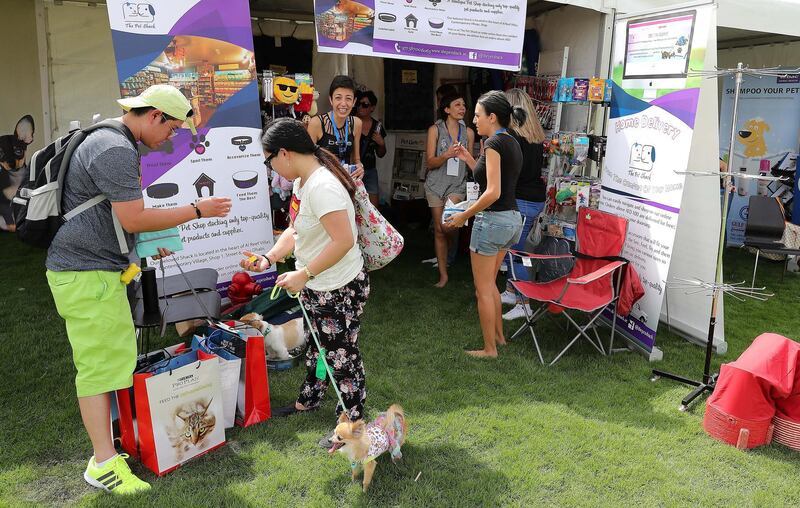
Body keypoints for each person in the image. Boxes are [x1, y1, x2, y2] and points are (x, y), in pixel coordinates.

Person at [45, 84, 231, 494]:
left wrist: (142, 246)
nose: (170, 138)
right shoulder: (115, 150)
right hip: (85, 273)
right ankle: (103, 464)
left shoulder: (111, 140)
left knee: (111, 361)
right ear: (154, 116)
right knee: (97, 369)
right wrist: (199, 210)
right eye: (172, 129)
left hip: (96, 270)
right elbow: (132, 218)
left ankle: (107, 450)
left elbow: (115, 216)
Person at [240, 118, 370, 446]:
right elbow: (296, 230)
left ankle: (354, 426)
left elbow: (343, 241)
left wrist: (305, 273)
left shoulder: (322, 186)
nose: (271, 168)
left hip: (337, 287)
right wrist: (269, 258)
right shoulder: (303, 181)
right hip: (318, 285)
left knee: (341, 355)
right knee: (318, 347)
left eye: (269, 160)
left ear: (284, 153)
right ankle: (309, 400)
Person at [446, 91, 525, 358]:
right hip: (512, 221)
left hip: (492, 221)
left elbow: (492, 191)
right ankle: (499, 338)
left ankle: (489, 349)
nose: (474, 120)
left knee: (483, 290)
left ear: (492, 117)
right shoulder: (510, 140)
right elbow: (489, 177)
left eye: (478, 116)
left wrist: (463, 215)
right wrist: (469, 158)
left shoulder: (492, 144)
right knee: (491, 285)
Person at [499, 88, 548, 321]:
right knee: (513, 249)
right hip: (533, 198)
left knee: (515, 253)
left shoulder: (511, 138)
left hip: (520, 200)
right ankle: (510, 291)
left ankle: (524, 303)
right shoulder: (535, 136)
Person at [424, 91, 476, 287]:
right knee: (439, 230)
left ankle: (452, 243)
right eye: (457, 105)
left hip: (457, 184)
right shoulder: (435, 130)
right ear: (446, 109)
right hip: (435, 184)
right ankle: (443, 274)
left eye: (463, 105)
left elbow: (471, 163)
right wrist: (446, 155)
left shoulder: (469, 133)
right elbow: (430, 163)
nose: (462, 108)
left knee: (447, 226)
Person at [307, 75, 365, 180]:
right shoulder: (317, 123)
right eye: (338, 98)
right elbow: (307, 159)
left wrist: (359, 167)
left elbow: (356, 159)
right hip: (322, 183)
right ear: (331, 99)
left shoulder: (356, 123)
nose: (343, 104)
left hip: (345, 183)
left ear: (354, 102)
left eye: (348, 98)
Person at [354, 90, 387, 206]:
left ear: (372, 108)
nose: (360, 107)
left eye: (365, 105)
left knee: (374, 206)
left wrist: (381, 143)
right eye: (358, 104)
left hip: (370, 170)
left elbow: (381, 154)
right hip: (353, 169)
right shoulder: (350, 122)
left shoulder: (377, 127)